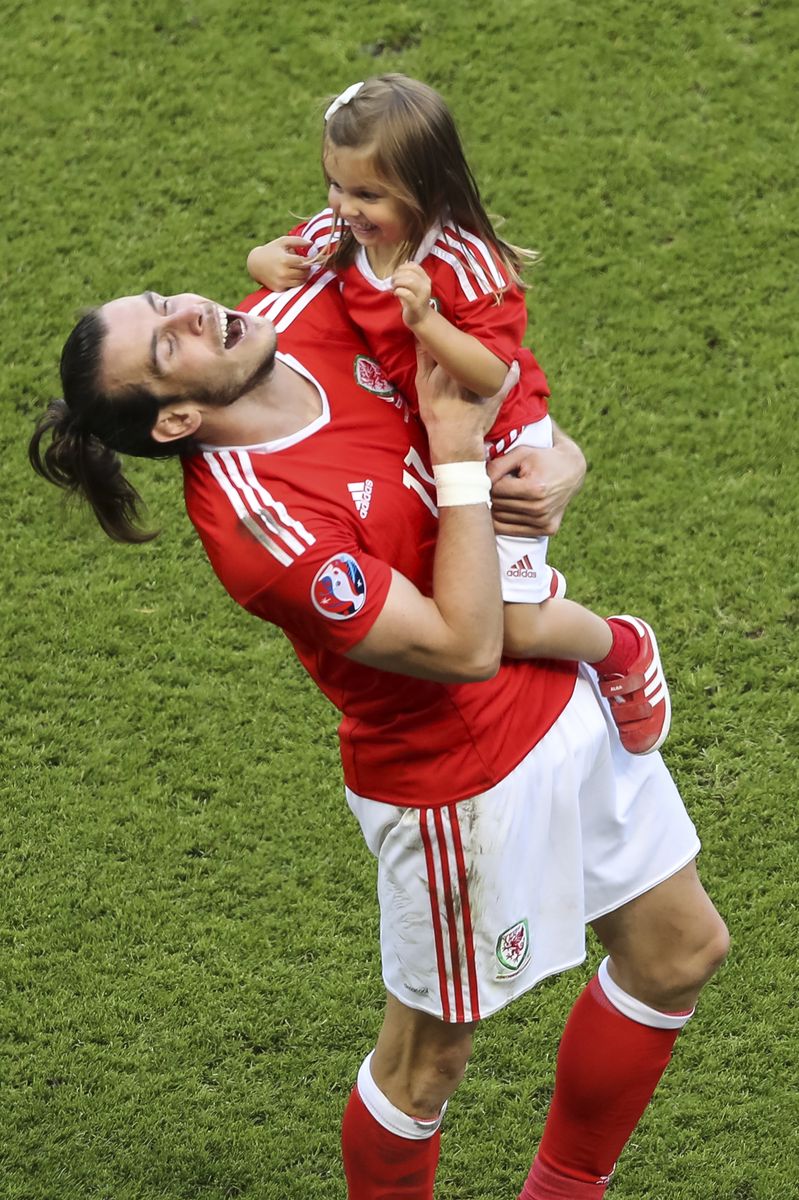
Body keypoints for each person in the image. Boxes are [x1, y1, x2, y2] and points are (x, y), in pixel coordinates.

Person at [29, 271, 728, 1200]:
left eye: (163, 302)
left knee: (680, 952)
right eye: (167, 347)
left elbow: (488, 371)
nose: (189, 313)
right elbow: (464, 645)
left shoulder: (308, 308)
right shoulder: (258, 526)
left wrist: (562, 456)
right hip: (455, 786)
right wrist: (454, 450)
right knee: (427, 1066)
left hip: (562, 697)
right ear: (174, 421)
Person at [247, 73, 670, 755]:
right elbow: (282, 253)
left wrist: (426, 321)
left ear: (426, 189)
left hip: (499, 436)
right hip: (432, 429)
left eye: (366, 194)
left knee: (516, 627)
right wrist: (261, 258)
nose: (343, 207)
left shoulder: (463, 263)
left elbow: (492, 375)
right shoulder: (344, 233)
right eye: (335, 185)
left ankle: (618, 646)